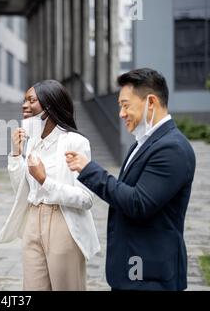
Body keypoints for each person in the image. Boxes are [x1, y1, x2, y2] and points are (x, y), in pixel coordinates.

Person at [66, 68, 196, 291]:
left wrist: (89, 170)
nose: (121, 113)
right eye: (120, 106)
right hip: (133, 269)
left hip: (149, 275)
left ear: (151, 102)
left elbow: (138, 203)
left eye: (126, 105)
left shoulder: (172, 148)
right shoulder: (142, 143)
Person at [0, 80, 100, 291]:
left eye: (31, 100)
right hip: (32, 221)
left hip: (63, 223)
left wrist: (45, 181)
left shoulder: (75, 142)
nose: (24, 105)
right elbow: (22, 191)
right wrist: (16, 154)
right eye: (24, 100)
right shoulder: (33, 142)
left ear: (50, 106)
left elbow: (86, 198)